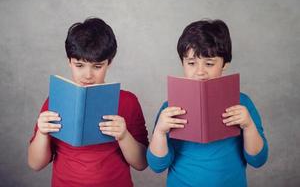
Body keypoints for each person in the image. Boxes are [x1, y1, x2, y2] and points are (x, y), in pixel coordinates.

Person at [28, 17, 148, 187]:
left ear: (109, 63)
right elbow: (35, 164)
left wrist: (123, 136)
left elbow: (142, 163)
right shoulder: (56, 101)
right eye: (79, 65)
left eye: (97, 67)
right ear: (69, 61)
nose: (88, 75)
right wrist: (42, 132)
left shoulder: (128, 101)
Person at [147, 19, 268, 187]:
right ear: (182, 63)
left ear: (224, 64)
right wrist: (159, 132)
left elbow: (258, 160)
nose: (200, 72)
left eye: (209, 63)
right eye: (191, 63)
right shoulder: (170, 108)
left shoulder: (242, 103)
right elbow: (157, 165)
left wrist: (248, 126)